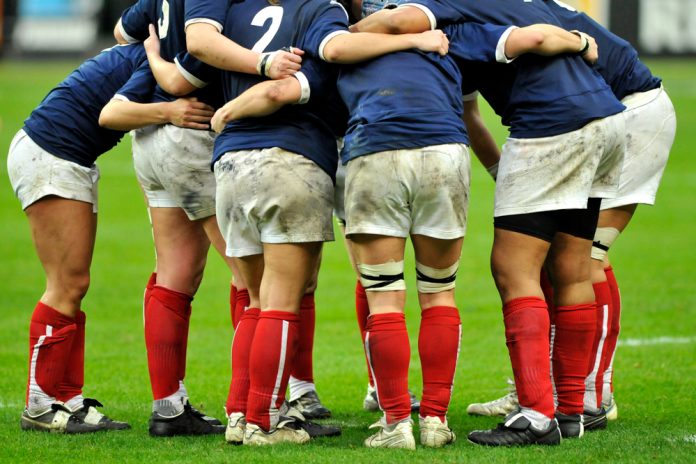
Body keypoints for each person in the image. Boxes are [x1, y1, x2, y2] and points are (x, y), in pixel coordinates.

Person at [353, 0, 626, 446]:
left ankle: (537, 415)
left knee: (514, 271)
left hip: (548, 125)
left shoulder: (452, 20)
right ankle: (573, 409)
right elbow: (539, 35)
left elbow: (402, 20)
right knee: (574, 266)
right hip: (606, 122)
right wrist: (580, 41)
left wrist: (359, 30)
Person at [190, 0, 449, 446]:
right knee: (279, 303)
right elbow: (285, 87)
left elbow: (193, 58)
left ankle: (239, 414)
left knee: (253, 300)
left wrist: (226, 114)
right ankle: (261, 423)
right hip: (293, 161)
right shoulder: (321, 15)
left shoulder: (236, 14)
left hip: (229, 167)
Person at [466, 0, 677, 426]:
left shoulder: (473, 12)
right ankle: (548, 390)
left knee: (585, 258)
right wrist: (504, 176)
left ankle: (590, 394)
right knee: (556, 259)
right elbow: (470, 113)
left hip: (627, 110)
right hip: (600, 115)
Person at [110, 0, 304, 435]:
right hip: (195, 131)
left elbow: (125, 33)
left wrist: (157, 59)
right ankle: (251, 409)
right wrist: (263, 61)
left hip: (153, 139)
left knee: (173, 274)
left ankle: (169, 409)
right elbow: (194, 54)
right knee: (253, 281)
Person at [7, 43, 211, 434]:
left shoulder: (154, 42)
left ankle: (64, 398)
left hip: (60, 153)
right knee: (66, 285)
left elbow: (124, 27)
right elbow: (112, 113)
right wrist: (171, 110)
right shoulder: (164, 56)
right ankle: (40, 404)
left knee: (73, 285)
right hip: (52, 154)